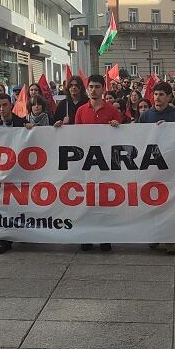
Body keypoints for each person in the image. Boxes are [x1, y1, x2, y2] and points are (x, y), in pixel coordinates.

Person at [69, 74, 120, 252]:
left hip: (106, 163)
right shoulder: (81, 111)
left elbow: (125, 136)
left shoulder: (113, 111)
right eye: (90, 86)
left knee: (105, 200)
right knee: (88, 200)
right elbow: (75, 136)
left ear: (103, 89)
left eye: (97, 86)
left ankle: (105, 237)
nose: (93, 90)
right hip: (87, 163)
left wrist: (117, 127)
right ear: (87, 89)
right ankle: (88, 236)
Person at [138, 82, 175, 256]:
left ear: (169, 97)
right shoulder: (146, 115)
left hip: (170, 167)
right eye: (155, 94)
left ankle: (171, 242)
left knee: (170, 204)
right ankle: (153, 235)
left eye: (161, 94)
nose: (157, 97)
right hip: (151, 166)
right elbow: (138, 138)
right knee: (152, 202)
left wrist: (169, 130)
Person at [0, 93, 27, 255]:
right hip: (0, 174)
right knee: (1, 207)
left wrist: (33, 130)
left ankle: (22, 234)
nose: (2, 109)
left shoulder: (23, 123)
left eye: (5, 105)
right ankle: (3, 240)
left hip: (19, 173)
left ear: (11, 105)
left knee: (19, 204)